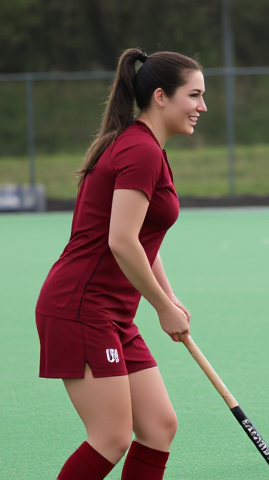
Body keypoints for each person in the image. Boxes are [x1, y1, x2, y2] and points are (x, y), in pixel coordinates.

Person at [35, 47, 206, 480]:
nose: (202, 106)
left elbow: (144, 239)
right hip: (81, 308)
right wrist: (162, 308)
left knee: (158, 427)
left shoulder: (147, 147)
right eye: (195, 95)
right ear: (162, 97)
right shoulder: (140, 150)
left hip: (111, 313)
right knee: (110, 437)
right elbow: (121, 241)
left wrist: (168, 297)